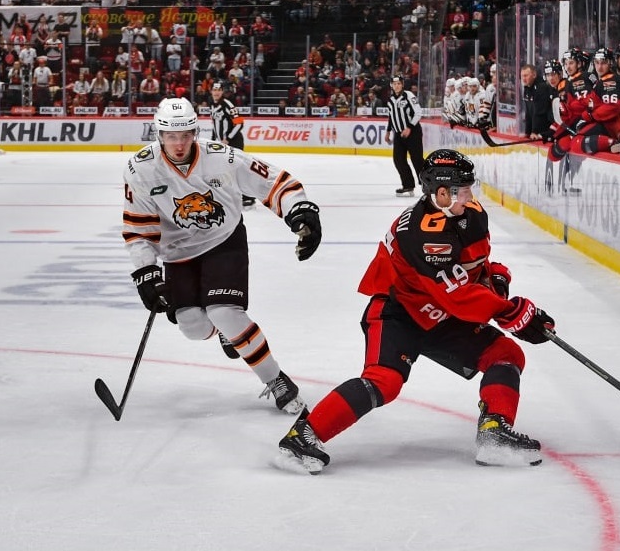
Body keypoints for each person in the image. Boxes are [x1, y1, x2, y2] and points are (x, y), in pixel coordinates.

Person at [275, 149, 554, 474]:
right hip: (399, 314)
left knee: (505, 354)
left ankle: (494, 434)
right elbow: (457, 295)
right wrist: (511, 312)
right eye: (462, 190)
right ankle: (303, 437)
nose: (470, 195)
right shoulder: (421, 233)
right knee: (384, 382)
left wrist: (494, 279)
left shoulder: (470, 213)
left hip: (441, 315)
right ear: (440, 193)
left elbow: (471, 266)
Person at [121, 98, 323, 414]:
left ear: (194, 132)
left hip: (223, 239)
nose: (179, 143)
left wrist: (299, 210)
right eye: (171, 136)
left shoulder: (222, 157)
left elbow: (273, 181)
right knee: (193, 326)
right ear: (159, 135)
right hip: (177, 253)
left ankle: (276, 380)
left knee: (224, 312)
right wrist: (146, 272)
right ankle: (227, 336)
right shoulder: (141, 169)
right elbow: (139, 228)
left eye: (185, 135)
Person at [210, 81, 255, 207]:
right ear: (211, 91)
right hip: (222, 144)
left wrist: (228, 138)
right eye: (214, 90)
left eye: (219, 90)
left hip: (234, 142)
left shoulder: (228, 105)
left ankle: (248, 196)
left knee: (237, 169)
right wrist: (213, 141)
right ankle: (228, 194)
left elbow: (240, 123)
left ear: (222, 92)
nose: (216, 92)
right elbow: (214, 124)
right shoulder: (212, 105)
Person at [386, 75, 424, 196]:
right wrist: (388, 131)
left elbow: (418, 112)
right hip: (398, 134)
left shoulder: (409, 96)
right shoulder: (391, 99)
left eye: (399, 84)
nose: (396, 86)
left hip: (413, 133)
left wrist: (409, 127)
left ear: (402, 84)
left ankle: (427, 184)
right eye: (394, 84)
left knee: (417, 160)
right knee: (398, 160)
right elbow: (391, 117)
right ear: (391, 85)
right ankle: (408, 185)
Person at [520, 63, 552, 140]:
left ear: (534, 75)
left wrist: (535, 131)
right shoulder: (527, 88)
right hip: (535, 132)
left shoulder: (541, 87)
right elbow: (529, 113)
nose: (523, 79)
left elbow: (539, 112)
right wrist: (527, 132)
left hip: (545, 130)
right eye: (522, 76)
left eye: (526, 76)